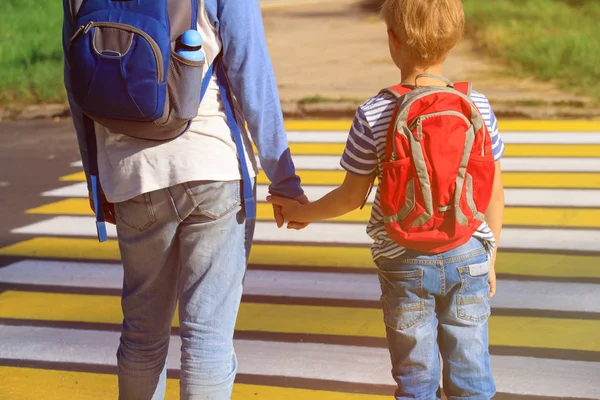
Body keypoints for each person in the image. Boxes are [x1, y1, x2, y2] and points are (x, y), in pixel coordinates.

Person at [62, 0, 307, 399]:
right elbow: (251, 72)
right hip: (213, 164)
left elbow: (77, 80)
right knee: (207, 336)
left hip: (133, 177)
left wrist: (97, 178)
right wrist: (284, 180)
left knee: (143, 336)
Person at [268, 0, 505, 398]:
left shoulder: (374, 112)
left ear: (392, 41)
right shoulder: (477, 106)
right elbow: (493, 191)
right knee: (471, 371)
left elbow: (350, 196)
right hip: (468, 252)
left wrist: (303, 212)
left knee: (415, 375)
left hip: (403, 258)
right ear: (454, 41)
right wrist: (490, 254)